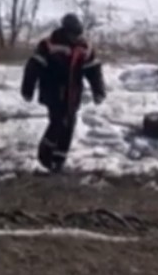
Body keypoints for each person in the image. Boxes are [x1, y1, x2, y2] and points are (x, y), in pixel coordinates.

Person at [21, 13, 107, 172]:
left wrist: (99, 90)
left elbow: (94, 70)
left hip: (73, 92)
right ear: (65, 31)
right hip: (52, 89)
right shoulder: (49, 44)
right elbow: (33, 67)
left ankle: (59, 160)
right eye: (72, 34)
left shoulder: (84, 47)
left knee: (70, 123)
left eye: (78, 34)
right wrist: (28, 89)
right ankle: (45, 156)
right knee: (58, 121)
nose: (75, 38)